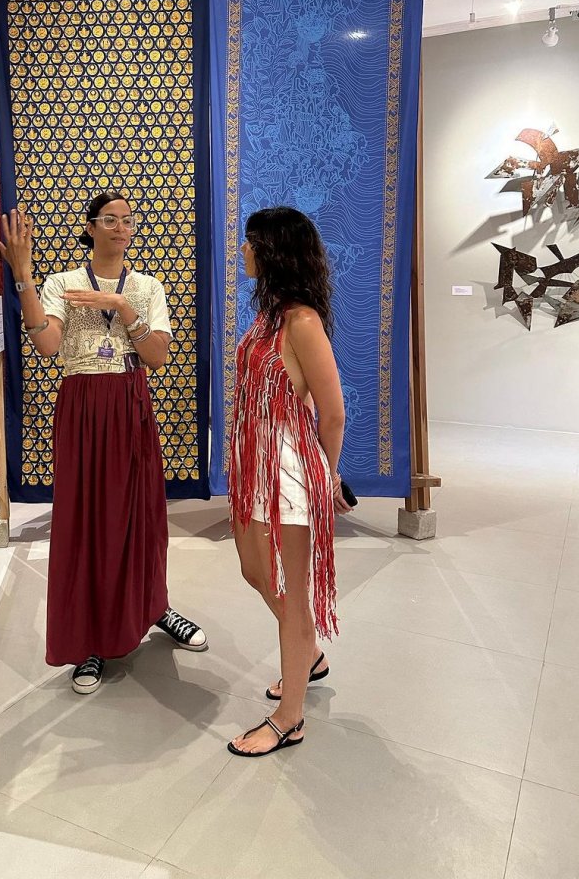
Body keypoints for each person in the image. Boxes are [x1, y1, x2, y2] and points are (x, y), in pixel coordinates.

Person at [0, 190, 207, 694]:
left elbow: (157, 357)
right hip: (84, 405)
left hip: (131, 402)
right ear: (90, 228)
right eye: (109, 219)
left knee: (142, 515)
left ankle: (153, 606)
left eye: (127, 220)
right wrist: (23, 274)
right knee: (86, 520)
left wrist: (121, 306)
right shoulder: (63, 283)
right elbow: (47, 344)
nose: (120, 227)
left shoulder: (147, 287)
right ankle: (89, 637)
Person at [227, 206, 352, 757]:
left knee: (293, 594)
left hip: (290, 471)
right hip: (255, 465)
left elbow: (333, 413)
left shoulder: (302, 321)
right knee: (254, 569)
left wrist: (328, 476)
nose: (244, 250)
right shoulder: (270, 315)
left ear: (274, 250)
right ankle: (309, 654)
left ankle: (289, 718)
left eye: (251, 241)